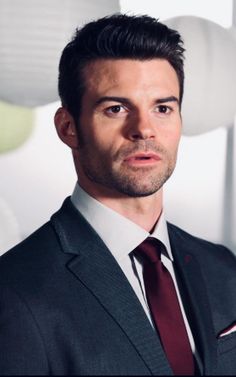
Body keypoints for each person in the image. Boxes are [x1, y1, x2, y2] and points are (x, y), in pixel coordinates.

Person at [0, 13, 236, 376]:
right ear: (68, 127)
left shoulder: (223, 268)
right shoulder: (15, 292)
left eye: (162, 108)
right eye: (116, 108)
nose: (144, 129)